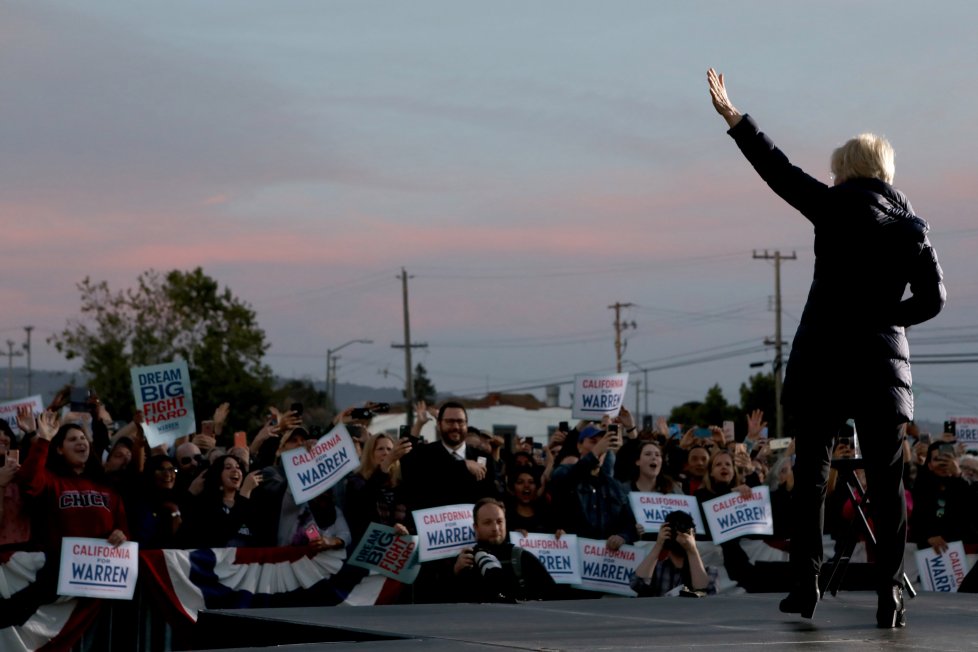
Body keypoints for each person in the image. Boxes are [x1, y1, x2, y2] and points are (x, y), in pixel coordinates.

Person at [708, 68, 946, 627]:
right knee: (889, 483)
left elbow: (779, 171)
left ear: (845, 171)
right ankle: (889, 592)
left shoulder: (833, 205)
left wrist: (735, 119)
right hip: (881, 366)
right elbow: (935, 299)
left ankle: (806, 583)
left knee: (811, 474)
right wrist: (892, 319)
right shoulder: (914, 229)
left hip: (823, 360)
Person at [451, 497, 556, 603]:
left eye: (499, 521)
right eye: (487, 522)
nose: (495, 528)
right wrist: (454, 572)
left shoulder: (522, 557)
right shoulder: (465, 560)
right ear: (476, 527)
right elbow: (441, 603)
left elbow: (554, 595)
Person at [631, 510, 718, 597]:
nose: (679, 535)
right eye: (674, 531)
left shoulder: (707, 570)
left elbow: (704, 594)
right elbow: (636, 584)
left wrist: (692, 550)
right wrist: (659, 544)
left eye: (685, 532)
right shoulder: (656, 568)